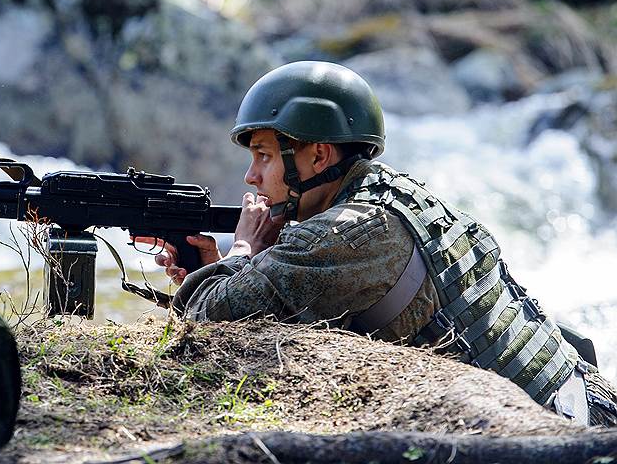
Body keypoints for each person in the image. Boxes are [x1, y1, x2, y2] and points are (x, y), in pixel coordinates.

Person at [144, 61, 617, 427]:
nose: (251, 176)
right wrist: (224, 265)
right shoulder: (394, 194)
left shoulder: (345, 234)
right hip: (577, 401)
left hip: (556, 433)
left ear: (319, 155)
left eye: (264, 156)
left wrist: (244, 251)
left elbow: (206, 317)